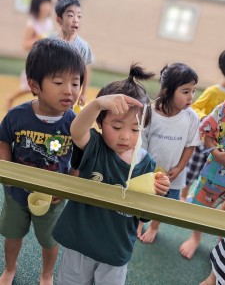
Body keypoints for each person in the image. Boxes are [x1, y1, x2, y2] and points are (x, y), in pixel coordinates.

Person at [52, 63, 170, 285]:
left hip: (115, 249)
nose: (125, 136)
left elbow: (143, 214)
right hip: (80, 242)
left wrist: (157, 192)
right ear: (100, 123)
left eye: (135, 129)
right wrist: (97, 104)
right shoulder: (95, 146)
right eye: (116, 127)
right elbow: (77, 130)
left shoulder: (146, 164)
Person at [0, 38, 85, 285]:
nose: (69, 89)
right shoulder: (17, 115)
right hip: (16, 193)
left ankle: (46, 273)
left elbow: (80, 157)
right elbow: (3, 139)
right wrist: (6, 171)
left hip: (53, 199)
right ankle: (10, 268)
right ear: (35, 85)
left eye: (75, 82)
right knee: (13, 234)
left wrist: (68, 186)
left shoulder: (75, 123)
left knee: (49, 240)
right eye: (59, 82)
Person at [137, 62, 201, 243]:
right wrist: (146, 169)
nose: (191, 97)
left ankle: (154, 227)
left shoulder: (191, 117)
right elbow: (142, 143)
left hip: (173, 175)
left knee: (164, 205)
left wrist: (180, 168)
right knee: (144, 199)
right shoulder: (149, 111)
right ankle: (140, 221)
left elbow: (190, 145)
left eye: (193, 91)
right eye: (185, 91)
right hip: (147, 171)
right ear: (166, 92)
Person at [180, 100, 225, 260]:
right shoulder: (222, 109)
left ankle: (221, 245)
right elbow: (207, 132)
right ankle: (196, 237)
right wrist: (215, 151)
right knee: (201, 206)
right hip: (214, 175)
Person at [180, 50, 225, 202]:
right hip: (204, 139)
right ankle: (183, 195)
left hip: (221, 145)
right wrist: (204, 117)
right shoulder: (214, 92)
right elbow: (196, 107)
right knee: (193, 169)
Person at [5, 0, 54, 110]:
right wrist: (38, 38)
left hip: (47, 59)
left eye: (48, 3)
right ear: (37, 5)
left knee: (43, 85)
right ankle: (11, 97)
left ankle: (46, 108)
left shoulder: (48, 22)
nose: (47, 7)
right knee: (29, 87)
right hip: (36, 60)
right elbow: (25, 44)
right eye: (44, 3)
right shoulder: (32, 24)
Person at [54, 0, 93, 107]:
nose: (76, 20)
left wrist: (83, 93)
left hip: (70, 95)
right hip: (52, 92)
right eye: (70, 15)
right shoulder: (50, 43)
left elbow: (85, 72)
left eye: (79, 16)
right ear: (59, 20)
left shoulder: (83, 47)